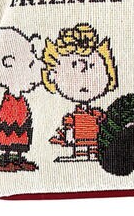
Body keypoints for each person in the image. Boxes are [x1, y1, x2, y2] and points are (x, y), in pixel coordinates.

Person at [43, 23, 117, 162]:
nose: (84, 78)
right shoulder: (76, 116)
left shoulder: (96, 114)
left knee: (94, 154)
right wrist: (69, 135)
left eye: (92, 67)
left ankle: (94, 157)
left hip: (95, 140)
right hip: (80, 141)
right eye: (74, 67)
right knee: (81, 154)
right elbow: (70, 126)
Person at [0, 27, 43, 172]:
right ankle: (2, 159)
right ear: (9, 63)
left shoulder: (19, 100)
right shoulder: (9, 100)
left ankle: (15, 158)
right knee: (4, 141)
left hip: (19, 127)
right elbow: (1, 115)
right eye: (30, 64)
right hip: (6, 127)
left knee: (17, 142)